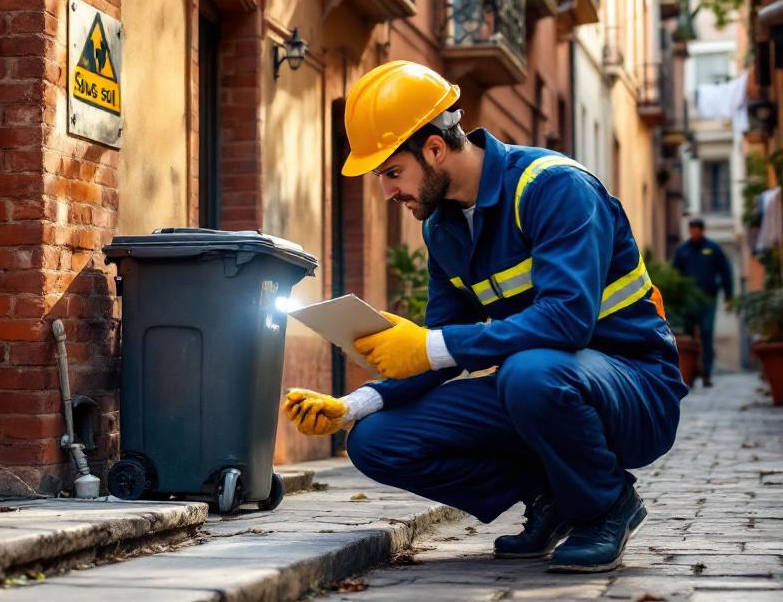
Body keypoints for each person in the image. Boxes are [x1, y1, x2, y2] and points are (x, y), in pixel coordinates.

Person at [283, 61, 686, 573]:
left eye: (391, 172)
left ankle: (606, 506)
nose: (387, 192)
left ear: (433, 148)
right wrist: (357, 403)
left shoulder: (554, 187)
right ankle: (553, 497)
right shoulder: (443, 231)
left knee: (530, 372)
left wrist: (427, 345)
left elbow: (567, 321)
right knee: (376, 442)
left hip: (635, 389)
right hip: (542, 389)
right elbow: (442, 354)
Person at [671, 218, 733, 387]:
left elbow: (725, 271)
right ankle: (689, 373)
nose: (694, 232)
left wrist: (728, 294)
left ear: (702, 230)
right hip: (689, 299)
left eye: (697, 229)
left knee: (706, 334)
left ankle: (707, 373)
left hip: (708, 299)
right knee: (688, 336)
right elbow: (675, 274)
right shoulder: (683, 250)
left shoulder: (713, 249)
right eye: (691, 229)